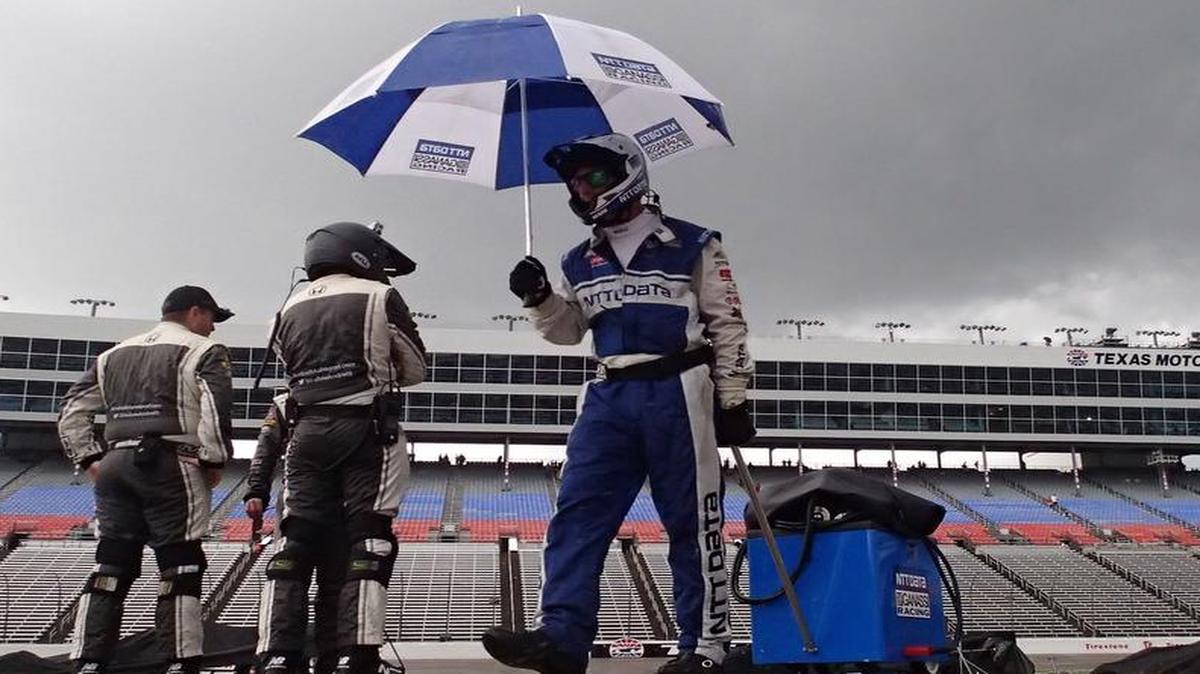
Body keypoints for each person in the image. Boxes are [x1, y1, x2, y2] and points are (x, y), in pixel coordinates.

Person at [484, 133, 755, 674]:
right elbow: (566, 332)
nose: (583, 186)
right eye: (575, 180)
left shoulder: (695, 242)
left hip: (678, 387)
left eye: (594, 175)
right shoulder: (577, 259)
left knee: (692, 522)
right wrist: (538, 299)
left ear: (629, 171)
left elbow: (728, 323)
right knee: (575, 516)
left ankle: (703, 647)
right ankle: (561, 638)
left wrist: (733, 397)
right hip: (606, 393)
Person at [255, 222, 426, 674]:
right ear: (360, 255)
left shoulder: (285, 306)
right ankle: (358, 653)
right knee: (369, 541)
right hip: (366, 430)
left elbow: (285, 366)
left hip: (305, 433)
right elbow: (415, 368)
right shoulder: (379, 297)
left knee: (293, 542)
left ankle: (277, 654)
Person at [57, 285, 235, 674]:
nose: (212, 328)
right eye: (211, 318)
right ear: (194, 313)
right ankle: (181, 660)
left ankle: (87, 660)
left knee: (111, 562)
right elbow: (215, 408)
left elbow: (71, 410)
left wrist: (89, 458)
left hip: (116, 462)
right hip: (172, 461)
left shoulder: (113, 354)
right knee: (181, 563)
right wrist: (214, 459)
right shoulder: (203, 350)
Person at [245, 393, 347, 674]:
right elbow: (265, 448)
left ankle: (335, 655)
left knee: (337, 586)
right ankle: (279, 654)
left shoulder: (358, 394)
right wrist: (256, 490)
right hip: (298, 506)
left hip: (346, 508)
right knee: (286, 575)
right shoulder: (285, 403)